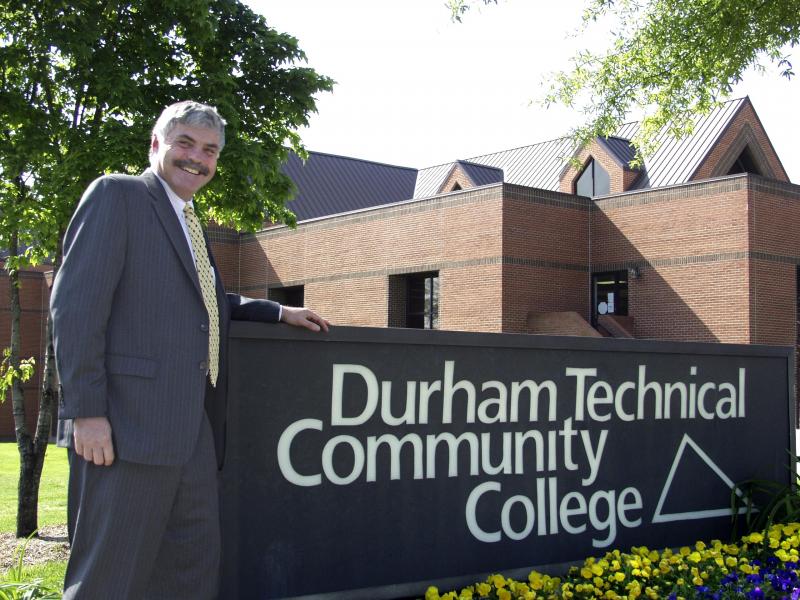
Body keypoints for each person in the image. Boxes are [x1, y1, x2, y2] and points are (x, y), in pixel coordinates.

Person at [50, 100, 329, 599]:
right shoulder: (118, 196)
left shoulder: (191, 220)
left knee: (190, 567)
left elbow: (203, 300)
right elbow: (75, 309)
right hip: (125, 428)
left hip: (191, 431)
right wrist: (86, 413)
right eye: (185, 143)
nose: (196, 158)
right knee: (108, 578)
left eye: (210, 150)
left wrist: (277, 312)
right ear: (156, 144)